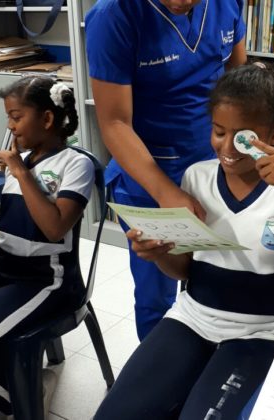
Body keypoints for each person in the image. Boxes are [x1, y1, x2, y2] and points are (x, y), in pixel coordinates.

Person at [93, 63, 274, 420]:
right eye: (218, 132)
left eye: (244, 137)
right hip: (193, 318)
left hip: (263, 331)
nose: (228, 148)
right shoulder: (196, 177)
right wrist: (159, 254)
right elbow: (184, 269)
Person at [85, 0, 247, 340]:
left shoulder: (227, 4)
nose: (180, 2)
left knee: (216, 278)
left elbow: (238, 80)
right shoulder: (113, 16)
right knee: (155, 297)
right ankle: (159, 383)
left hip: (215, 167)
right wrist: (166, 192)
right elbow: (114, 123)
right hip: (150, 176)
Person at [0, 75, 95, 416]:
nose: (10, 126)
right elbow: (8, 227)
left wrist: (20, 173)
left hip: (45, 281)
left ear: (46, 119)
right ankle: (12, 381)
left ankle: (23, 393)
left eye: (16, 117)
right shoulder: (24, 159)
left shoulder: (76, 164)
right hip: (3, 268)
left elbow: (54, 227)